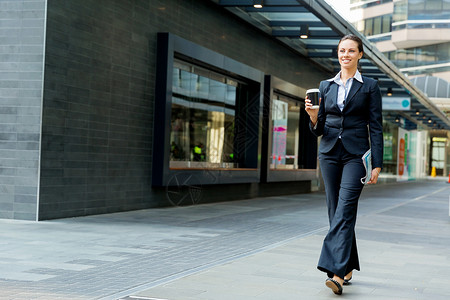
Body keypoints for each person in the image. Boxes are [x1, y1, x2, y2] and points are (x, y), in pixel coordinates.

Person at [305, 34, 383, 295]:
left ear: (360, 55)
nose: (345, 54)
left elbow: (377, 127)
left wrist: (377, 164)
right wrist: (314, 117)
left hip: (356, 156)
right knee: (334, 211)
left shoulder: (370, 86)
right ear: (337, 54)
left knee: (345, 209)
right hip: (328, 152)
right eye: (341, 50)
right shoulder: (326, 86)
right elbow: (318, 128)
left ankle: (337, 275)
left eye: (351, 50)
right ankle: (347, 266)